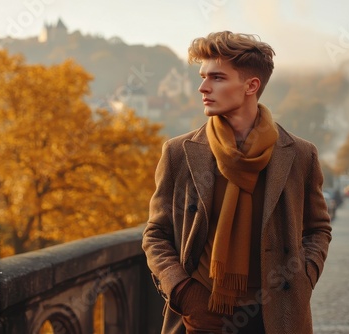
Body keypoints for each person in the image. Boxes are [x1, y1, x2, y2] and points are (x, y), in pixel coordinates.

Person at [142, 31, 332, 334]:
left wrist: (303, 277)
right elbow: (156, 234)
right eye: (203, 77)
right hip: (203, 318)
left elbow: (318, 229)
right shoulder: (179, 152)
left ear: (251, 86)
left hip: (277, 317)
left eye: (217, 78)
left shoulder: (299, 154)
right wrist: (183, 293)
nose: (203, 87)